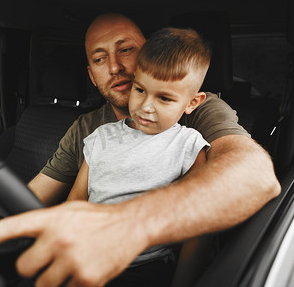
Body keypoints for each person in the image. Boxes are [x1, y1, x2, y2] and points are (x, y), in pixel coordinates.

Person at [0, 13, 281, 287]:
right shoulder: (92, 131)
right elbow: (36, 199)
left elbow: (254, 176)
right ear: (91, 74)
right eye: (100, 59)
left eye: (126, 49)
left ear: (148, 53)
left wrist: (129, 224)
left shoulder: (197, 111)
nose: (114, 67)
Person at [66, 27, 211, 286]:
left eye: (164, 98)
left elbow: (199, 226)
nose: (146, 106)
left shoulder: (188, 146)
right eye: (140, 90)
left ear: (192, 103)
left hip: (146, 269)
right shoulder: (101, 137)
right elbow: (76, 202)